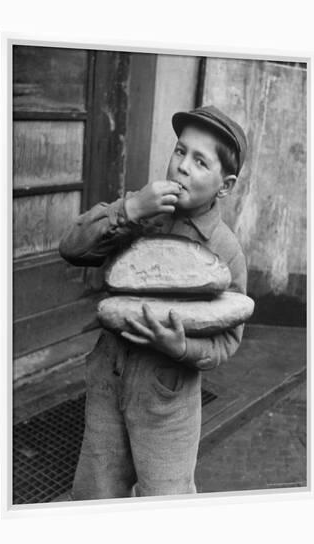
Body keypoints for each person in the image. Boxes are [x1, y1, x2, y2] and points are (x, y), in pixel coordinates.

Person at [59, 105, 248, 500]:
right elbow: (72, 248)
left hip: (169, 396)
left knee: (166, 498)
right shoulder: (138, 214)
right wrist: (128, 209)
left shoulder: (226, 251)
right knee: (96, 491)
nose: (182, 166)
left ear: (225, 185)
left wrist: (183, 348)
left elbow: (228, 340)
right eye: (180, 151)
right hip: (108, 379)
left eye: (200, 161)